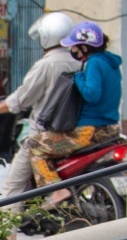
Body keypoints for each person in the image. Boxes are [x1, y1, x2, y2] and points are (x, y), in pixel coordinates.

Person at [0, 10, 76, 199]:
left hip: (45, 132)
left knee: (12, 187)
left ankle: (9, 228)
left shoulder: (46, 64)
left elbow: (20, 100)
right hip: (73, 131)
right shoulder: (79, 61)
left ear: (48, 36)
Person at [29, 22, 122, 188]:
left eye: (74, 46)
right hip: (110, 129)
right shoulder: (111, 65)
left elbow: (92, 95)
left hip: (87, 131)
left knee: (35, 145)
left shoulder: (94, 63)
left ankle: (56, 190)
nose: (72, 51)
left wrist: (78, 77)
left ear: (85, 48)